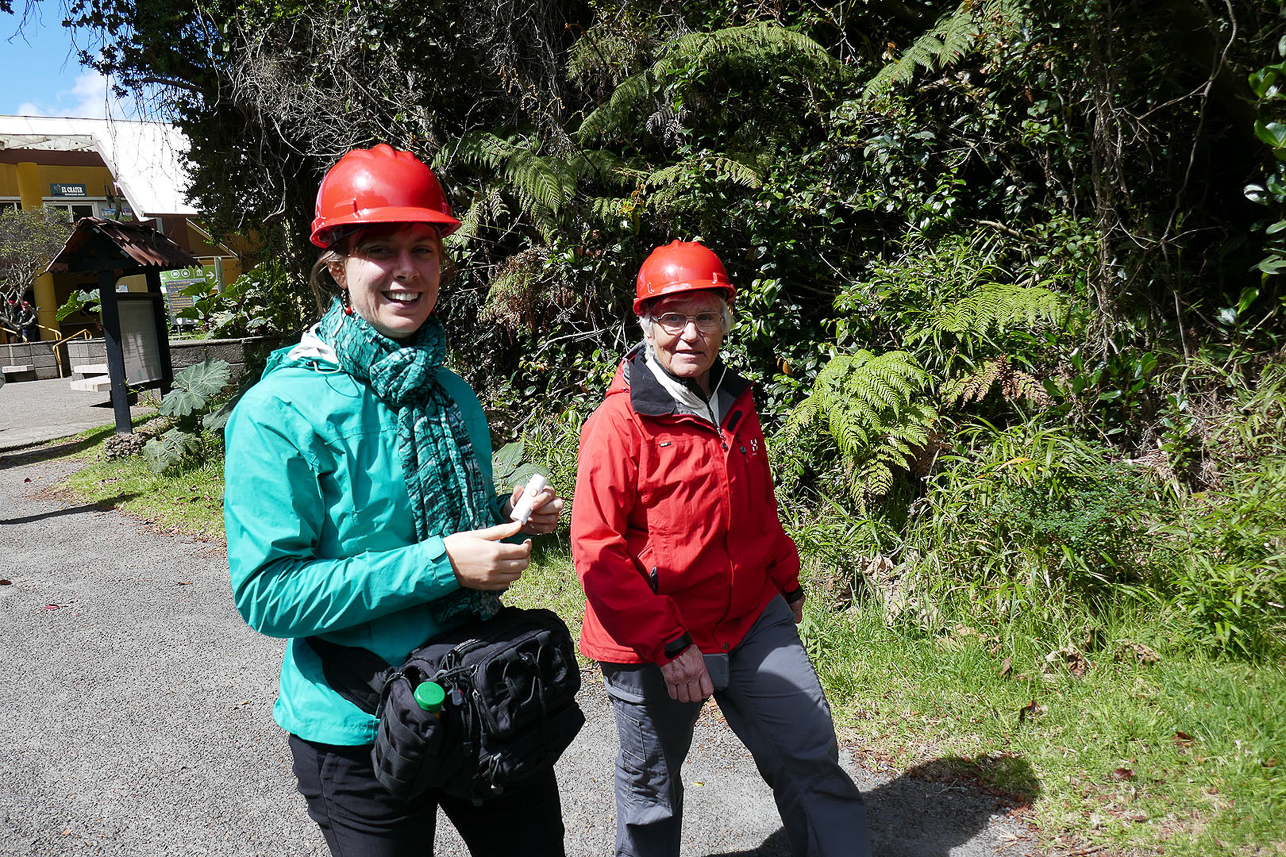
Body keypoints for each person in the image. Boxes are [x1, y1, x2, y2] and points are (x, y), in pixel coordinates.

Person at [223, 144, 567, 857]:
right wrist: (445, 564)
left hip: (481, 694)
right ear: (337, 269)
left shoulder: (450, 392)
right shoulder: (278, 412)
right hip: (356, 725)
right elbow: (267, 593)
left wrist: (509, 513)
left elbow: (442, 518)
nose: (407, 270)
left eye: (424, 248)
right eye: (381, 249)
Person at [570, 240, 872, 857]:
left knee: (808, 751)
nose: (690, 334)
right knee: (651, 790)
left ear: (725, 322)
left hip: (751, 614)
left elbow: (760, 504)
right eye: (673, 318)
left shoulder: (736, 402)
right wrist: (669, 643)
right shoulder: (619, 423)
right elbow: (596, 548)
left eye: (705, 316)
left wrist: (786, 582)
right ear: (646, 324)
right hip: (654, 635)